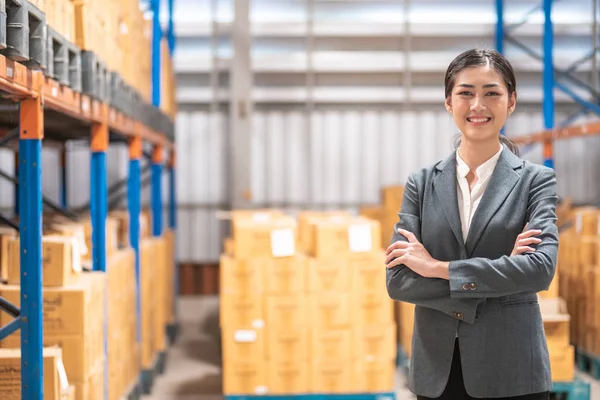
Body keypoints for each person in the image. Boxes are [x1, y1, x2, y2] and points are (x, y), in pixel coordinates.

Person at [385, 48, 558, 400]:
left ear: (510, 102)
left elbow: (538, 270)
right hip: (438, 372)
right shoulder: (421, 183)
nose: (478, 104)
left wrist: (436, 267)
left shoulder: (536, 182)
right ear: (449, 102)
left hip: (513, 371)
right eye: (466, 93)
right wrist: (500, 272)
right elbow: (400, 281)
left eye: (491, 92)